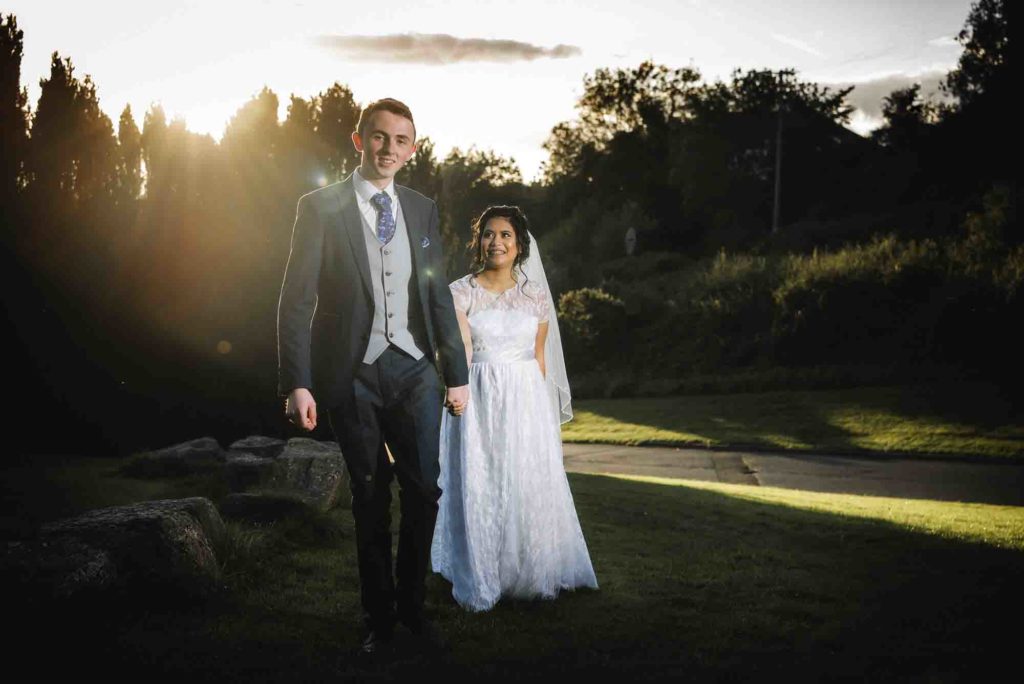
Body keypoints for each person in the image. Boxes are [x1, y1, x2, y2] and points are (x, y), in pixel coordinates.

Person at [277, 98, 470, 656]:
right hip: (351, 375)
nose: (390, 148)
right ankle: (379, 618)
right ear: (359, 140)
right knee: (367, 495)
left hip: (415, 372)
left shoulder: (422, 208)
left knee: (424, 493)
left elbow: (435, 294)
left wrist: (453, 373)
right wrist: (298, 381)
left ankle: (413, 609)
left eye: (402, 140)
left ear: (413, 149)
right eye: (380, 137)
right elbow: (297, 300)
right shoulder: (319, 207)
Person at [430, 205, 598, 612]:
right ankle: (480, 571)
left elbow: (539, 357)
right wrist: (459, 391)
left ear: (519, 244)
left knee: (524, 481)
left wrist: (540, 413)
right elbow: (460, 349)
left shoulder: (536, 298)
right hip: (479, 393)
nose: (496, 242)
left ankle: (527, 569)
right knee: (480, 480)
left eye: (505, 235)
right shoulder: (460, 292)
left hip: (526, 398)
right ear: (479, 241)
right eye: (489, 234)